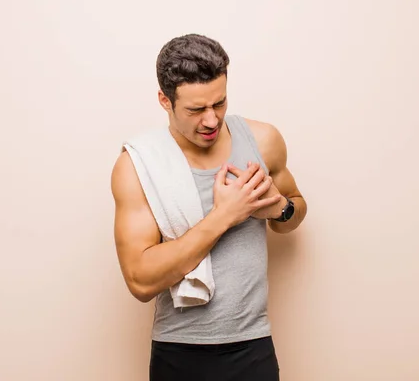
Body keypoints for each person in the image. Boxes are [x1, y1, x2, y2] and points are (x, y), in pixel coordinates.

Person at [110, 33, 307, 381]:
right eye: (196, 109)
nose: (212, 120)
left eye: (220, 103)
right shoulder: (138, 166)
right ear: (165, 101)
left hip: (253, 346)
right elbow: (140, 281)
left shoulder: (262, 140)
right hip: (178, 351)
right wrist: (225, 215)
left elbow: (295, 211)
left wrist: (277, 209)